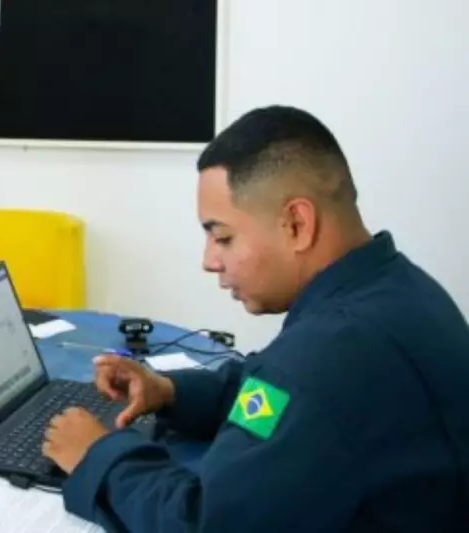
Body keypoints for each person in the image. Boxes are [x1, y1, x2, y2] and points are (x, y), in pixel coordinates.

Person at [42, 106, 469, 531]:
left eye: (222, 236)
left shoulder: (323, 358)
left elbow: (205, 523)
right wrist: (171, 393)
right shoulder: (401, 289)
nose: (210, 261)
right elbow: (278, 400)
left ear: (296, 224)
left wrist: (98, 455)